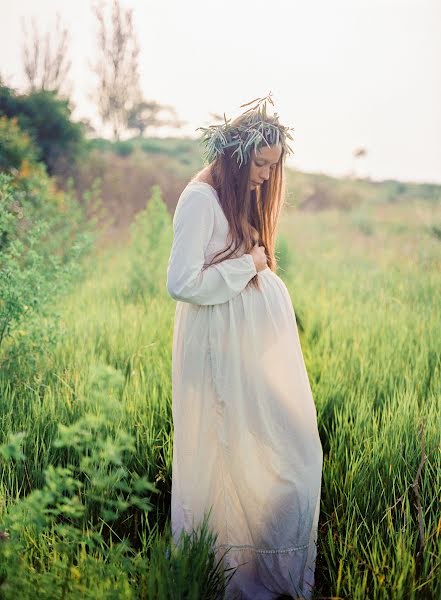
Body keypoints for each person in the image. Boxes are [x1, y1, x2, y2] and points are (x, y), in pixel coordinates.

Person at [166, 93, 323, 600]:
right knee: (224, 451)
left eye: (273, 166)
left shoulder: (237, 194)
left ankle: (263, 567)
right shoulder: (200, 199)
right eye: (260, 164)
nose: (264, 175)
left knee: (287, 447)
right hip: (217, 346)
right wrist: (248, 267)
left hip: (245, 345)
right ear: (236, 155)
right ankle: (226, 574)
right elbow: (182, 281)